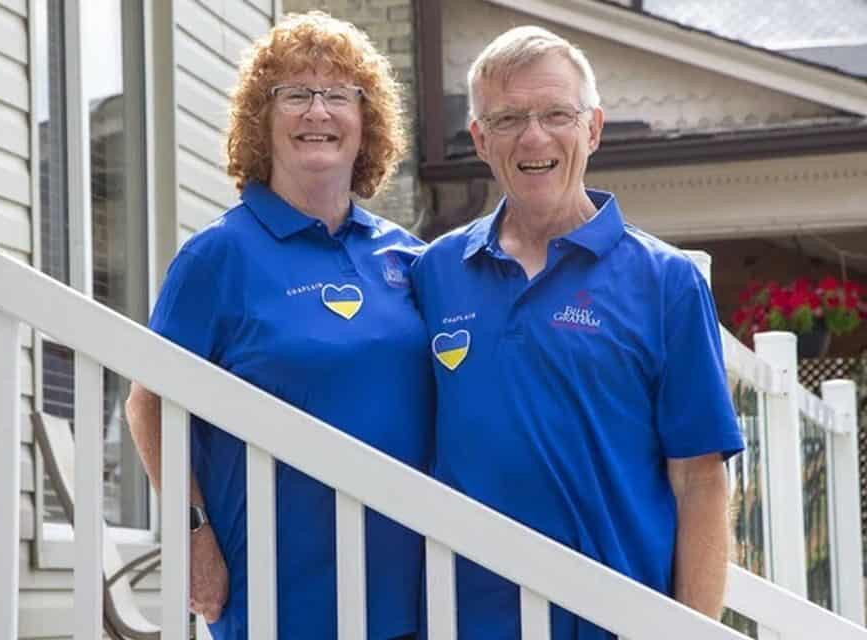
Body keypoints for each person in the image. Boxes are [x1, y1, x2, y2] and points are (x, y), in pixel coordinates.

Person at [410, 26, 744, 639]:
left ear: (593, 128)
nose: (534, 137)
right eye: (507, 118)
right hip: (465, 623)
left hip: (617, 622)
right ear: (480, 139)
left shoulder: (665, 282)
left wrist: (692, 631)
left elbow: (700, 479)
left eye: (556, 113)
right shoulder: (434, 273)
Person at [126, 12, 432, 640]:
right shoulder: (218, 256)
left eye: (338, 95)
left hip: (412, 591)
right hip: (277, 594)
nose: (317, 112)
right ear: (261, 123)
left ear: (366, 121)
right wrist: (192, 535)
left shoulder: (409, 257)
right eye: (294, 94)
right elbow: (149, 404)